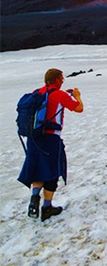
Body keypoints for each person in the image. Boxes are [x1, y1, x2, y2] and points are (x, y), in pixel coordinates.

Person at [17, 68, 84, 221]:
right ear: (56, 80)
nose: (62, 81)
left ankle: (35, 196)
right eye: (61, 79)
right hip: (51, 139)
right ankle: (47, 207)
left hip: (34, 137)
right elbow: (79, 108)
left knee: (38, 169)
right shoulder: (59, 94)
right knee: (52, 172)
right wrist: (78, 96)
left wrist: (65, 94)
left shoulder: (38, 92)